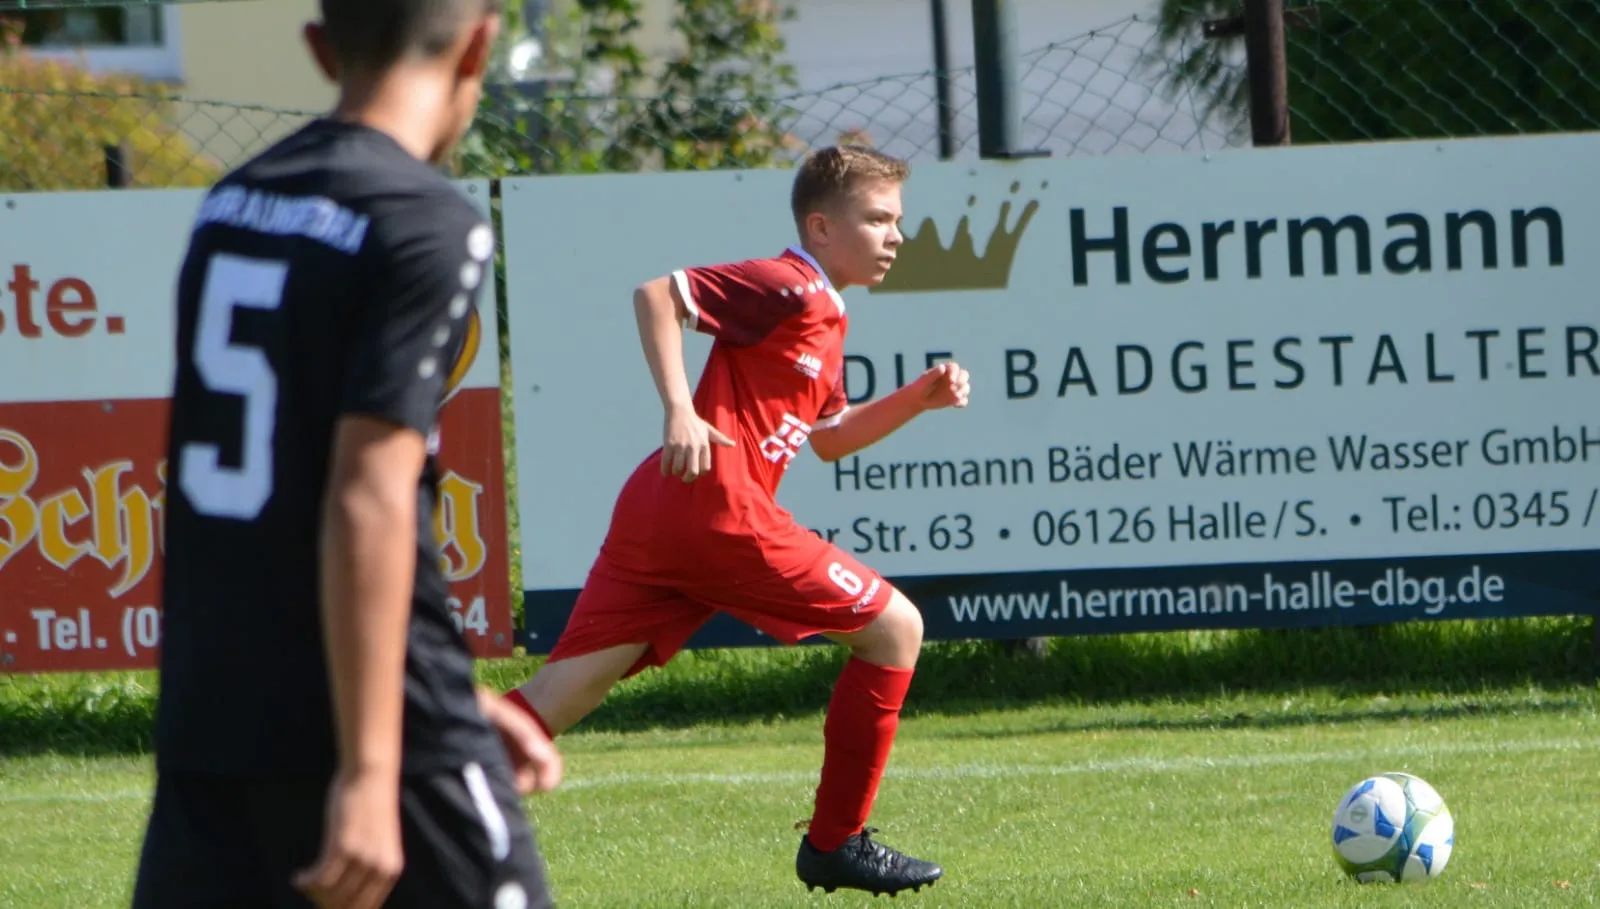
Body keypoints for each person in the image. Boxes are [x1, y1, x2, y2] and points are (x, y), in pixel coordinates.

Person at [131, 2, 562, 907]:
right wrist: (375, 764)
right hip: (375, 739)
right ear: (480, 44)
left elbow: (264, 497)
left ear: (320, 49)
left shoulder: (233, 204)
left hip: (214, 724)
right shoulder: (419, 216)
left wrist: (455, 695)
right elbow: (367, 496)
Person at [502, 144, 968, 897]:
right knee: (897, 629)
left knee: (561, 694)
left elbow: (831, 438)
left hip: (663, 511)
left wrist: (917, 398)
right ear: (821, 227)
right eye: (878, 219)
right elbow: (658, 295)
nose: (895, 236)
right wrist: (679, 409)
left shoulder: (827, 312)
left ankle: (402, 793)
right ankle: (835, 842)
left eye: (897, 221)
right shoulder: (790, 284)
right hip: (718, 510)